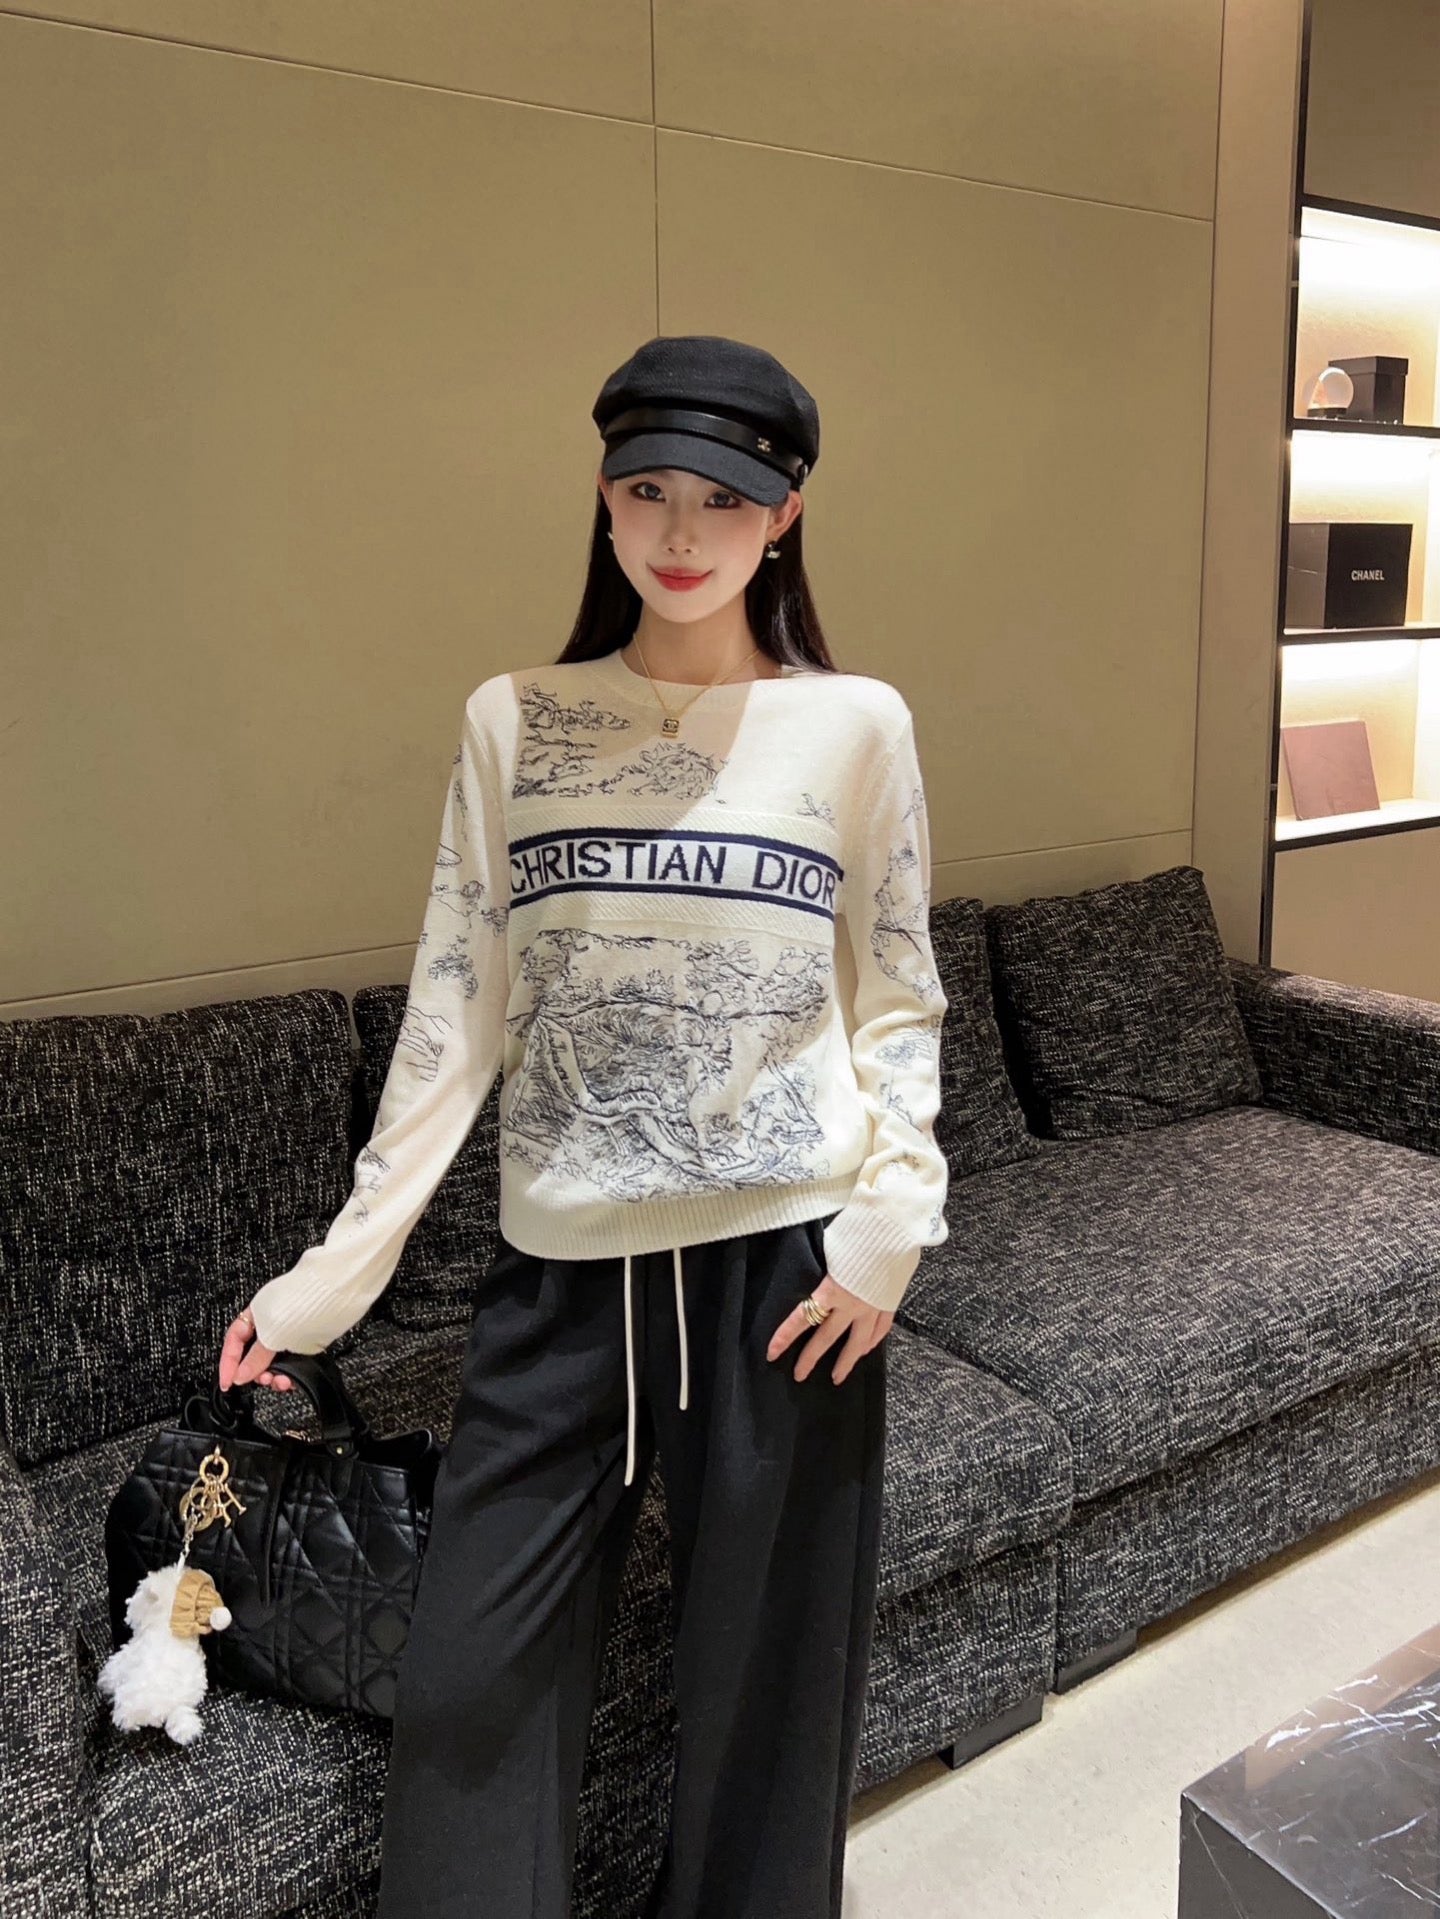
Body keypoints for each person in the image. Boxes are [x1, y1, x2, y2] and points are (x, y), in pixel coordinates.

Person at [218, 334, 950, 1918]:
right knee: (471, 1700)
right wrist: (330, 1281)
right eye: (649, 491)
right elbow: (451, 1016)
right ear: (605, 499)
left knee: (771, 1709)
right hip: (560, 1290)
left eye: (725, 499)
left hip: (790, 1284)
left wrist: (893, 1227)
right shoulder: (515, 721)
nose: (682, 533)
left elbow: (895, 991)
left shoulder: (856, 727)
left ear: (786, 516)